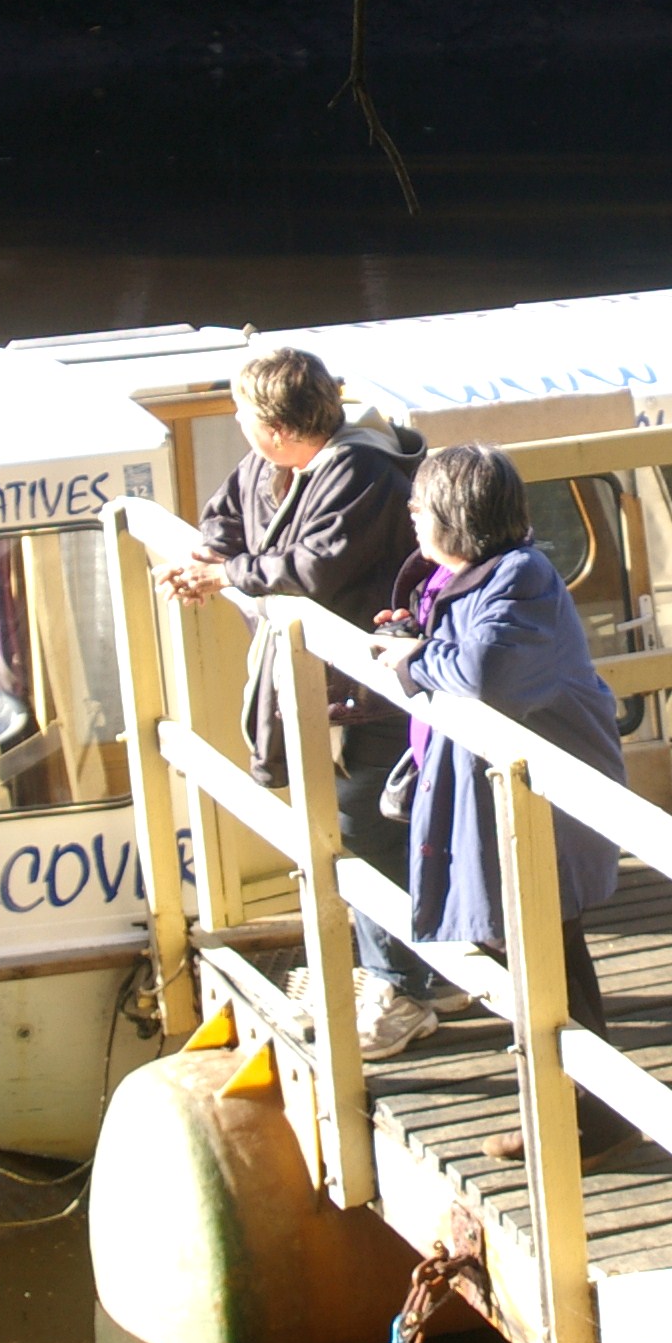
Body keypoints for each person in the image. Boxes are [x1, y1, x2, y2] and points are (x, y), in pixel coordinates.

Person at [164, 346, 460, 1059]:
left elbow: (313, 569)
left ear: (272, 426)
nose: (237, 423)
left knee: (366, 828)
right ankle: (406, 967)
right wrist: (215, 561)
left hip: (373, 692)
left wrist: (225, 573)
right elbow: (223, 525)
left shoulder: (358, 472)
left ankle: (402, 990)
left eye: (242, 412)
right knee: (349, 827)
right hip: (326, 691)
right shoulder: (269, 470)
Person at [376, 443, 638, 1165]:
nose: (411, 519)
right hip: (501, 800)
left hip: (543, 806)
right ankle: (579, 1109)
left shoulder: (523, 578)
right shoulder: (471, 577)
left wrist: (411, 661)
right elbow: (465, 655)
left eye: (419, 509)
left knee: (543, 953)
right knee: (536, 953)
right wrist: (415, 640)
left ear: (455, 520)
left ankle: (589, 1114)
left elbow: (490, 674)